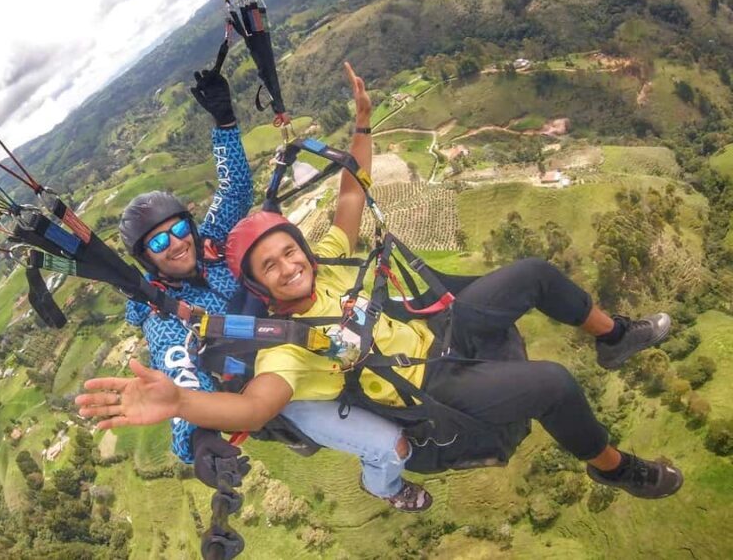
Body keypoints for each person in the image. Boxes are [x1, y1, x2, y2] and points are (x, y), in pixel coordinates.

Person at [80, 62, 682, 500]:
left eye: (290, 252)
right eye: (156, 243)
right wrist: (185, 415)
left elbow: (346, 200)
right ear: (257, 288)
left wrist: (361, 126)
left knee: (534, 274)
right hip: (424, 381)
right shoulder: (275, 343)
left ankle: (614, 338)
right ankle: (614, 467)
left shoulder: (297, 254)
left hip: (435, 329)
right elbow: (253, 405)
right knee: (553, 383)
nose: (289, 266)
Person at [117, 59, 429, 511]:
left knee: (406, 319)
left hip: (313, 325)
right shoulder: (165, 318)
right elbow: (181, 376)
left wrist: (225, 123)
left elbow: (234, 189)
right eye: (159, 243)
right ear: (146, 259)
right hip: (279, 383)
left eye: (178, 229)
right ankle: (386, 487)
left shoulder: (213, 243)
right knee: (389, 445)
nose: (176, 244)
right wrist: (200, 443)